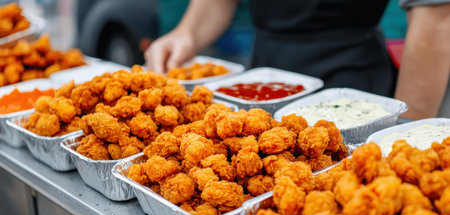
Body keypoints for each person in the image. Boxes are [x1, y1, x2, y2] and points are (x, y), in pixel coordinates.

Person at [145, 0, 450, 120]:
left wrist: (407, 128)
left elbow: (435, 17)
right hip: (262, 81)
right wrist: (186, 32)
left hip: (355, 82)